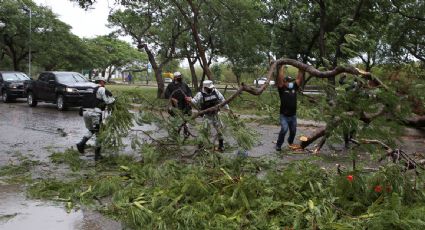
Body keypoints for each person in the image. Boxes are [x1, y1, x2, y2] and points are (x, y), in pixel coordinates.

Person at [76, 76, 115, 161]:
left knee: (92, 130)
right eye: (104, 83)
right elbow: (109, 101)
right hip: (95, 113)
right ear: (101, 81)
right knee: (99, 133)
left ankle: (81, 144)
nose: (104, 85)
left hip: (85, 113)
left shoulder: (88, 89)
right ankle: (97, 155)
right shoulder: (101, 89)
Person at [185, 80, 229, 152]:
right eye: (209, 88)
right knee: (204, 131)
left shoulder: (216, 91)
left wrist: (227, 109)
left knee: (220, 130)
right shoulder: (200, 94)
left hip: (216, 115)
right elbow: (195, 102)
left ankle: (221, 146)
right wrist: (190, 100)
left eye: (211, 88)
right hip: (207, 116)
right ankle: (201, 147)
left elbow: (222, 100)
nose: (211, 89)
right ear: (205, 88)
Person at [275, 65, 304, 151]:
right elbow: (280, 78)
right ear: (284, 82)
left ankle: (290, 141)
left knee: (293, 131)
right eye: (287, 81)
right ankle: (278, 145)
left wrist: (301, 69)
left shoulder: (294, 86)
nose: (289, 82)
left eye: (290, 81)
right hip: (284, 115)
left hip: (293, 116)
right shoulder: (282, 88)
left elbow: (299, 79)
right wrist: (281, 67)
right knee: (284, 129)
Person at [164, 72, 193, 136]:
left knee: (186, 118)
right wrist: (172, 99)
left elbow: (189, 92)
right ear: (175, 78)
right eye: (178, 76)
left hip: (185, 105)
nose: (180, 77)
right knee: (176, 119)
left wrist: (190, 97)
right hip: (176, 106)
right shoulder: (170, 85)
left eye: (180, 76)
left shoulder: (184, 84)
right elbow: (166, 94)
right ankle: (176, 133)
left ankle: (186, 131)